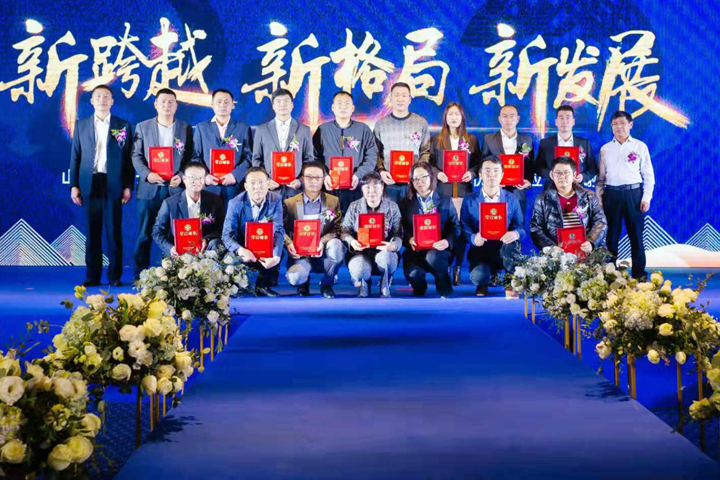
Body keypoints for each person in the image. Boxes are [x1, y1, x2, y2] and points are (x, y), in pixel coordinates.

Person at [69, 85, 133, 287]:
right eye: (98, 96)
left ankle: (115, 276)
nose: (102, 100)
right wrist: (74, 185)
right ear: (92, 101)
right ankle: (93, 276)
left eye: (106, 97)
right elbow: (75, 156)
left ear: (112, 101)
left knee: (113, 232)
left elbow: (129, 159)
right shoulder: (81, 125)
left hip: (113, 183)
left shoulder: (122, 125)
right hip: (89, 183)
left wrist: (128, 186)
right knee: (92, 232)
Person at [131, 88, 193, 280]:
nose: (167, 105)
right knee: (145, 232)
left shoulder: (185, 128)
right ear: (155, 105)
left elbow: (191, 157)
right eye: (163, 102)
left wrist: (181, 176)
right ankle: (140, 276)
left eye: (170, 102)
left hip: (176, 189)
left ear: (176, 106)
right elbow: (136, 155)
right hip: (150, 189)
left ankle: (174, 277)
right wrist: (147, 174)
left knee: (175, 234)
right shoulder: (143, 127)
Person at [596, 111, 655, 279]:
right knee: (611, 237)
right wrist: (599, 199)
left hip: (633, 195)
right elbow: (600, 178)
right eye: (615, 124)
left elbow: (649, 175)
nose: (619, 127)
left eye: (622, 123)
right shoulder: (605, 149)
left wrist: (646, 198)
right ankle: (609, 275)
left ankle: (639, 275)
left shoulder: (639, 146)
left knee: (636, 237)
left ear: (630, 125)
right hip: (611, 195)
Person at [429, 102, 480, 286]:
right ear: (445, 117)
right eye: (450, 114)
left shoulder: (471, 139)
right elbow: (429, 163)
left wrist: (472, 173)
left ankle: (458, 266)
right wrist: (437, 173)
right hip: (444, 192)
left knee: (462, 230)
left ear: (462, 117)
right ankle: (446, 265)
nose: (454, 117)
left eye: (457, 114)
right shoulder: (436, 140)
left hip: (464, 191)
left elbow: (478, 163)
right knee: (447, 229)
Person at [461, 156, 526, 297]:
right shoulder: (469, 199)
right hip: (481, 249)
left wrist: (515, 234)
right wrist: (473, 238)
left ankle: (510, 282)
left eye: (496, 171)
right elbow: (464, 227)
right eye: (487, 171)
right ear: (480, 175)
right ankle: (483, 282)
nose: (492, 175)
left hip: (504, 248)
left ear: (502, 175)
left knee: (512, 247)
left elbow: (521, 227)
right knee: (479, 276)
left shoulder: (512, 198)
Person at [283, 162, 345, 298]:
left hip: (323, 253)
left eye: (318, 178)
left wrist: (322, 241)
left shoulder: (332, 201)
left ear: (323, 179)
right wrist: (288, 243)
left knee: (337, 245)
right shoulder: (290, 203)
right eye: (309, 177)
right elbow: (281, 229)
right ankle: (303, 282)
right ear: (302, 179)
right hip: (301, 255)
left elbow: (338, 228)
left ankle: (327, 284)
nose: (313, 181)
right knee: (295, 278)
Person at [398, 163, 460, 298]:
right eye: (415, 179)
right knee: (413, 273)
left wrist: (447, 242)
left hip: (439, 249)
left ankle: (443, 284)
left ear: (431, 177)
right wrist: (409, 239)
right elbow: (401, 228)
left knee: (433, 257)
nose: (419, 181)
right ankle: (420, 286)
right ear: (411, 181)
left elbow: (455, 227)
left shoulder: (445, 200)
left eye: (423, 177)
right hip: (415, 251)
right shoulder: (404, 203)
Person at [222, 167, 285, 297]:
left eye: (261, 182)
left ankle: (262, 285)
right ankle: (238, 285)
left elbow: (278, 229)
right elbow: (227, 235)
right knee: (231, 259)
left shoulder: (276, 199)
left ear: (268, 184)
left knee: (278, 251)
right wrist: (240, 250)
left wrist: (276, 255)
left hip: (264, 246)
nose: (257, 187)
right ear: (246, 186)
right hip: (243, 247)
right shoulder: (235, 203)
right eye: (253, 183)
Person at [341, 172, 403, 298]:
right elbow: (344, 231)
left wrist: (394, 246)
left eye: (376, 186)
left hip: (383, 251)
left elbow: (398, 233)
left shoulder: (392, 207)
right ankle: (365, 282)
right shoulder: (354, 207)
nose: (371, 191)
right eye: (367, 187)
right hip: (360, 252)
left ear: (382, 187)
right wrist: (352, 241)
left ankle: (385, 281)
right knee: (359, 270)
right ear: (362, 189)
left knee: (387, 259)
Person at [313, 91, 377, 211]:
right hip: (330, 186)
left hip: (356, 186)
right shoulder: (323, 130)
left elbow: (372, 156)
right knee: (330, 219)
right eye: (339, 103)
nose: (343, 107)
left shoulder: (363, 129)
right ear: (333, 107)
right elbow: (315, 157)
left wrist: (359, 175)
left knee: (355, 219)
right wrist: (324, 175)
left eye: (347, 104)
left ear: (352, 108)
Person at [530, 157, 607, 252]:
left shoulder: (589, 196)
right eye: (558, 173)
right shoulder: (542, 199)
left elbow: (600, 221)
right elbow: (536, 228)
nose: (562, 176)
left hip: (585, 250)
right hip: (557, 252)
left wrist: (591, 242)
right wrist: (551, 247)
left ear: (574, 175)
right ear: (552, 175)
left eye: (566, 173)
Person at [192, 88, 253, 206]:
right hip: (209, 186)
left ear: (232, 106)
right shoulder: (202, 128)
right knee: (209, 217)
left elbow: (249, 157)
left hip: (233, 186)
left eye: (226, 102)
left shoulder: (243, 128)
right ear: (212, 105)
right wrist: (205, 176)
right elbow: (195, 156)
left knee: (233, 216)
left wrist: (235, 175)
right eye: (219, 102)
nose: (222, 105)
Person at [152, 161, 226, 257]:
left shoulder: (215, 200)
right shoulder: (170, 203)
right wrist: (170, 248)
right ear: (184, 179)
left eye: (200, 178)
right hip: (178, 253)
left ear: (204, 180)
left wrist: (207, 239)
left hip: (205, 251)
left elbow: (221, 228)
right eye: (192, 178)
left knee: (216, 243)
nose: (196, 181)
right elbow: (157, 232)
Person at [373, 82, 431, 202]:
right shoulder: (380, 124)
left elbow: (426, 151)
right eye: (397, 95)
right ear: (391, 99)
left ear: (409, 99)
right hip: (389, 183)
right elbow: (375, 152)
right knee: (389, 213)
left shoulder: (420, 123)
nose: (400, 99)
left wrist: (418, 172)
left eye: (404, 95)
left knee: (412, 213)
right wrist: (381, 171)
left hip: (414, 183)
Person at [252, 88, 315, 198]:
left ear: (292, 105)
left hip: (295, 189)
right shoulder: (262, 130)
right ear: (273, 106)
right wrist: (266, 180)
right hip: (270, 189)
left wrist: (301, 181)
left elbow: (309, 159)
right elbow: (256, 159)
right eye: (278, 101)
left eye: (286, 101)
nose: (282, 105)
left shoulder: (304, 130)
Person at [479, 104, 534, 217]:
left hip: (518, 192)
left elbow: (530, 164)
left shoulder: (527, 140)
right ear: (499, 119)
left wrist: (528, 181)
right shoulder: (489, 139)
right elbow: (482, 164)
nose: (508, 119)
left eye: (512, 116)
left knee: (518, 225)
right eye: (505, 116)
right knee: (494, 224)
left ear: (517, 119)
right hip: (495, 192)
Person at [536, 105, 598, 188]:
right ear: (556, 122)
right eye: (561, 118)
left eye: (568, 118)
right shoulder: (545, 143)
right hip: (551, 189)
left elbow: (592, 169)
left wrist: (583, 177)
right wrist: (549, 173)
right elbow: (538, 167)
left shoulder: (584, 144)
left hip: (577, 188)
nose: (564, 121)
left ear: (573, 121)